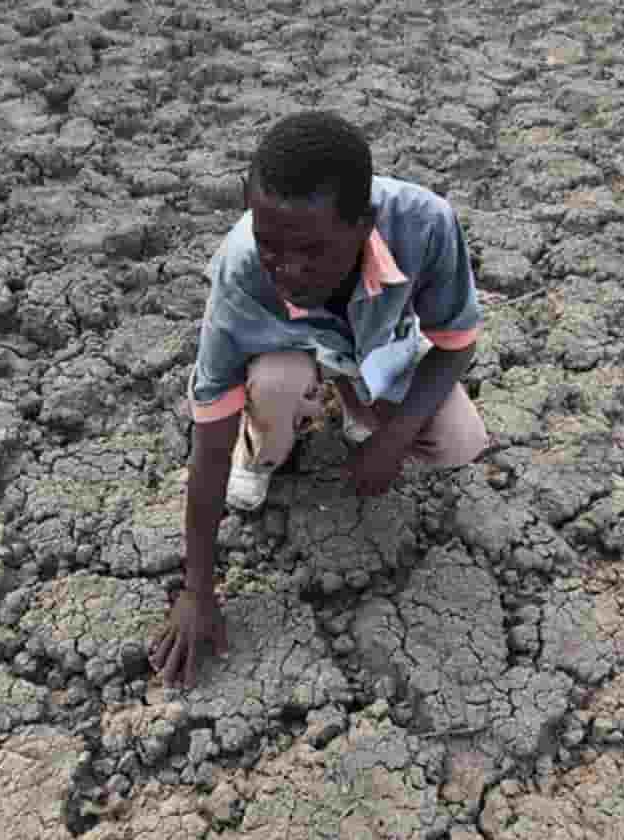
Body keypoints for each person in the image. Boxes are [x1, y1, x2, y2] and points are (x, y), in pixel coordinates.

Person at [150, 111, 492, 688]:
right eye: (271, 246)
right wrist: (197, 590)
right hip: (289, 354)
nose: (288, 269)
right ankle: (264, 449)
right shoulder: (241, 276)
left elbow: (456, 342)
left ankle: (357, 409)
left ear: (364, 223)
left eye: (312, 251)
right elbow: (206, 442)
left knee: (460, 442)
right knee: (278, 382)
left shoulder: (424, 225)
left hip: (375, 346)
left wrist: (392, 438)